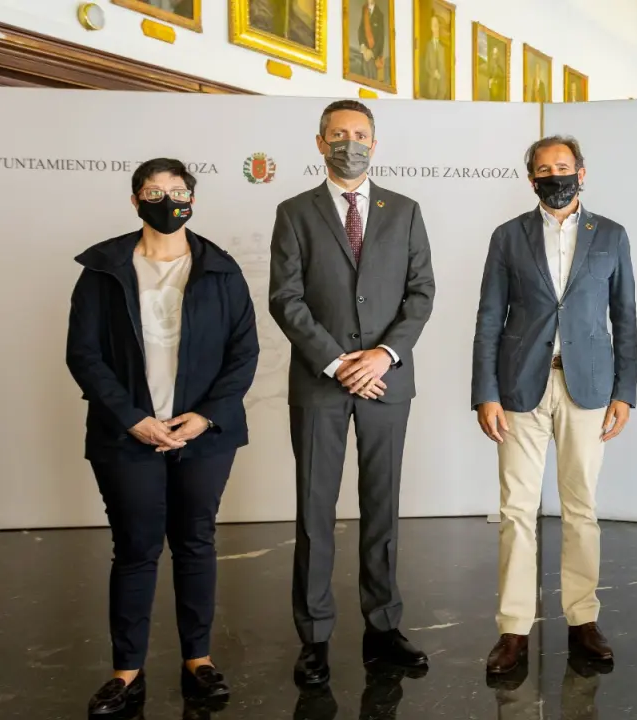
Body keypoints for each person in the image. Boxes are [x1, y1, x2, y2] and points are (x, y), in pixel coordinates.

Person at [67, 158, 259, 715]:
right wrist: (133, 418)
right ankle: (126, 671)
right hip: (127, 433)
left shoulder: (221, 268)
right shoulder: (103, 268)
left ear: (192, 199)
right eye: (154, 192)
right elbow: (84, 354)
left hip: (203, 434)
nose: (167, 200)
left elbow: (244, 353)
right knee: (135, 547)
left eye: (177, 191)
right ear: (135, 201)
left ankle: (198, 660)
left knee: (196, 542)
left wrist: (205, 416)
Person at [269, 100, 436, 687]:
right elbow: (285, 298)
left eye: (360, 134)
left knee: (382, 508)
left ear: (375, 143)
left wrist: (382, 355)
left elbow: (421, 293)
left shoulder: (405, 211)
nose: (350, 143)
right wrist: (340, 363)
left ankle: (383, 628)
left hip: (387, 380)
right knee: (315, 512)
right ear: (320, 144)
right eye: (338, 134)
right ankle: (314, 637)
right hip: (321, 383)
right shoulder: (294, 212)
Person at [472, 136, 637, 674]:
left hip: (588, 387)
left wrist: (625, 392)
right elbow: (488, 318)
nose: (554, 176)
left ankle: (582, 620)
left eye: (563, 167)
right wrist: (485, 393)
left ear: (581, 173)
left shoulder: (611, 235)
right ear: (531, 180)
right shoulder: (507, 236)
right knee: (517, 511)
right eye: (544, 170)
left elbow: (625, 317)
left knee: (581, 508)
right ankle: (513, 628)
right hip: (520, 388)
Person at [423, 14, 447, 99]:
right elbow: (425, 65)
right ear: (431, 28)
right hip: (431, 89)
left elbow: (445, 68)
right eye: (434, 25)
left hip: (442, 89)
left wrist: (444, 86)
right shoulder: (427, 46)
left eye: (437, 24)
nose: (436, 27)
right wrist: (433, 73)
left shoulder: (443, 47)